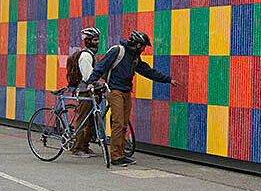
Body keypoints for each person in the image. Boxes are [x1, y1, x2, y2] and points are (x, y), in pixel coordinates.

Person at [81, 30, 178, 166]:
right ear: (137, 44)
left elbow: (147, 71)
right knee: (118, 123)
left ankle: (120, 154)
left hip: (126, 91)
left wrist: (167, 79)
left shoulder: (135, 57)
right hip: (115, 91)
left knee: (123, 125)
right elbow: (101, 67)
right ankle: (115, 157)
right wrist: (91, 81)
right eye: (143, 46)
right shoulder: (118, 51)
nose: (144, 49)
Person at [66, 26, 102, 157]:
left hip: (92, 93)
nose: (97, 42)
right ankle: (77, 148)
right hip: (85, 92)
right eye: (95, 40)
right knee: (83, 121)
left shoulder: (91, 55)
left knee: (92, 121)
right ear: (87, 40)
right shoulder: (86, 56)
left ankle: (85, 146)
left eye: (97, 39)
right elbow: (88, 77)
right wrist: (101, 85)